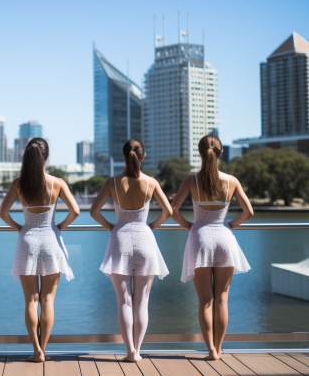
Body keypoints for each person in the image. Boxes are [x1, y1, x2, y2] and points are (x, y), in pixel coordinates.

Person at [171, 135, 253, 360]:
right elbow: (249, 212)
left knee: (205, 300)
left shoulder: (191, 181)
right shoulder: (231, 181)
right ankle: (220, 346)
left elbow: (172, 211)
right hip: (224, 237)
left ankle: (211, 351)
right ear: (221, 153)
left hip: (200, 238)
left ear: (200, 153)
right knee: (222, 299)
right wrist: (230, 225)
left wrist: (190, 226)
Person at [90, 138, 172, 362]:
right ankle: (139, 349)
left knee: (124, 302)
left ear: (123, 156)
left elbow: (94, 212)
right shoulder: (151, 182)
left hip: (120, 240)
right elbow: (169, 211)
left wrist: (111, 227)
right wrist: (152, 226)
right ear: (143, 156)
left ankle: (130, 353)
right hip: (145, 239)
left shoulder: (112, 183)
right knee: (141, 303)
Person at [0, 138, 79, 362]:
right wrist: (59, 227)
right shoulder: (57, 183)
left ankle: (36, 351)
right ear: (47, 156)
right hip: (51, 239)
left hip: (27, 241)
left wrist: (19, 228)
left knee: (31, 300)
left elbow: (2, 212)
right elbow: (75, 211)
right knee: (48, 300)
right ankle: (44, 349)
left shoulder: (18, 183)